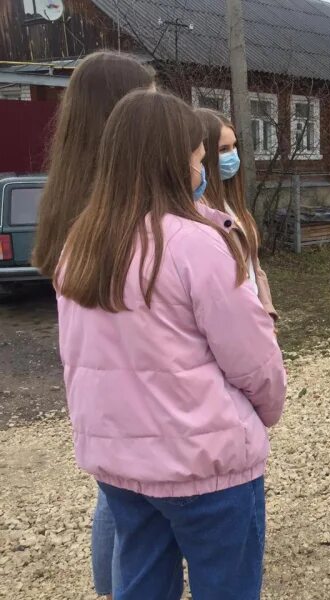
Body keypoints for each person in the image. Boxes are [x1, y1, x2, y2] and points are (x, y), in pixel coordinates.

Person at [55, 90, 287, 600]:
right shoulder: (195, 243)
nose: (205, 169)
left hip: (121, 464)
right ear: (173, 161)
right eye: (200, 158)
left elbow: (78, 354)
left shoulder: (81, 245)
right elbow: (255, 359)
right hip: (207, 468)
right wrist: (268, 412)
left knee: (140, 585)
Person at [31, 50, 155, 599]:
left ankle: (111, 589)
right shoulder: (114, 203)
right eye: (148, 101)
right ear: (119, 113)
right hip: (131, 379)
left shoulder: (72, 191)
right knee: (128, 507)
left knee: (114, 495)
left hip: (97, 385)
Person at [195, 108, 277, 320]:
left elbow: (254, 265)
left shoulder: (232, 203)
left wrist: (267, 310)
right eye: (223, 149)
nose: (232, 156)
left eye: (234, 147)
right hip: (231, 321)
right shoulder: (197, 211)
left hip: (253, 316)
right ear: (202, 155)